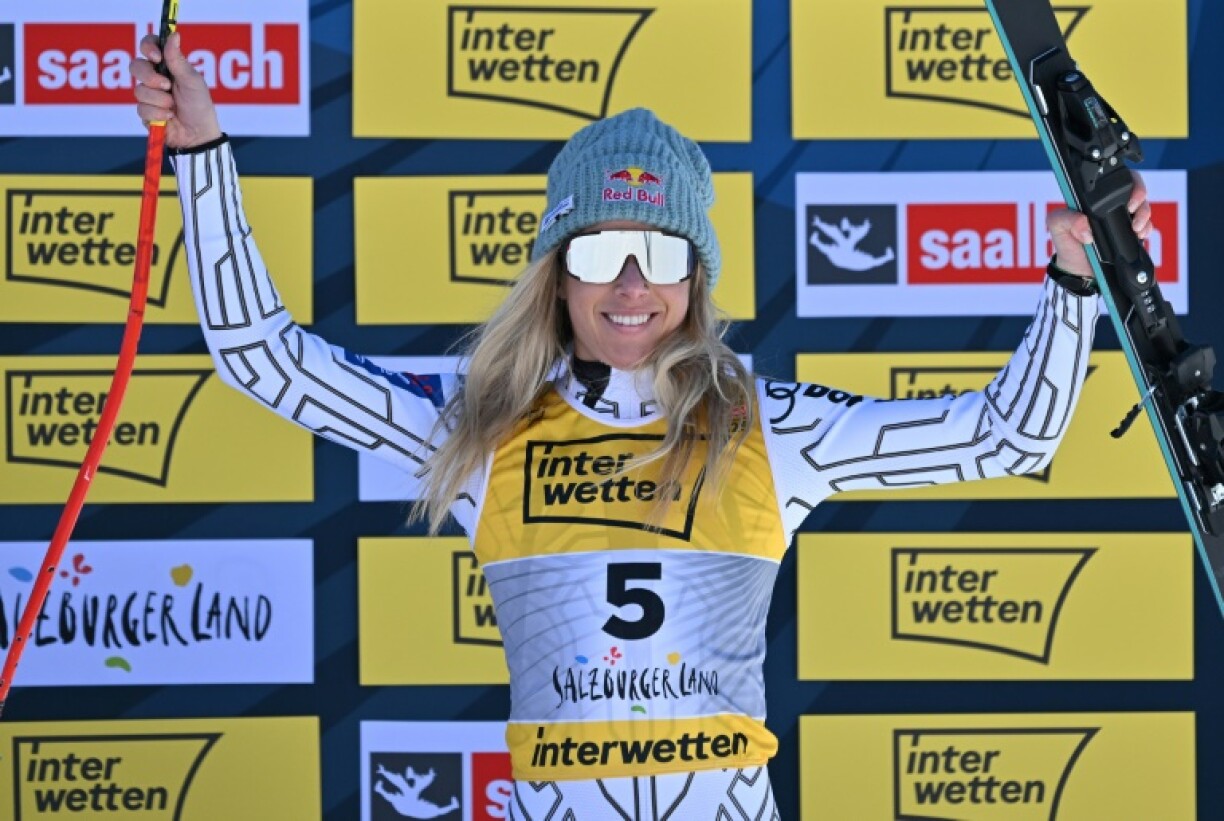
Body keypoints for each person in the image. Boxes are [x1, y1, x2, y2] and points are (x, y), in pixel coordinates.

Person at [132, 31, 1152, 819]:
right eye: (601, 252)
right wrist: (202, 152)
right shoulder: (484, 424)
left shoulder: (764, 426)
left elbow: (1007, 437)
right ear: (555, 272)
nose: (631, 288)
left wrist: (1072, 277)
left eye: (663, 258)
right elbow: (265, 357)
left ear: (699, 277)